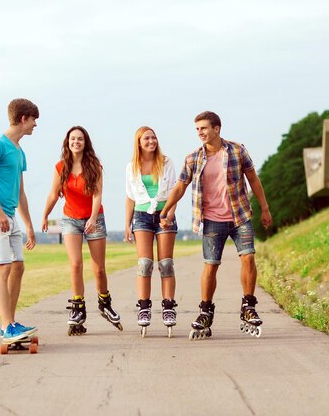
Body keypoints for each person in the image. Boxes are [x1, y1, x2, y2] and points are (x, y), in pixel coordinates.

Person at [160, 111, 273, 339]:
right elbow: (181, 186)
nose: (200, 133)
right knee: (211, 266)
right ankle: (205, 311)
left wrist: (265, 207)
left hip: (240, 215)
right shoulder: (193, 158)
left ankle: (248, 306)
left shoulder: (237, 150)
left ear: (216, 129)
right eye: (197, 129)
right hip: (212, 219)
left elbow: (253, 178)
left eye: (203, 128)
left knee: (248, 257)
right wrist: (166, 208)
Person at [42, 126, 123, 336]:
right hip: (70, 219)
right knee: (75, 265)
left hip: (94, 218)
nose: (76, 142)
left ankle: (104, 302)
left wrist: (94, 218)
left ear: (85, 142)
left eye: (80, 139)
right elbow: (53, 194)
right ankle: (78, 308)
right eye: (72, 139)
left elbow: (97, 195)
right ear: (67, 142)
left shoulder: (94, 165)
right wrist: (44, 215)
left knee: (99, 269)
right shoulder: (61, 167)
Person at [0, 98, 39, 344]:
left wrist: (29, 225)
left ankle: (11, 322)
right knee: (2, 268)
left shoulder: (19, 151)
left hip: (11, 216)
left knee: (18, 267)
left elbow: (20, 191)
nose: (35, 125)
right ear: (23, 118)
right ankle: (5, 327)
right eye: (34, 120)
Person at [124, 126, 179, 337]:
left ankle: (168, 307)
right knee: (144, 264)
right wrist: (127, 224)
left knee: (166, 264)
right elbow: (130, 197)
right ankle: (144, 307)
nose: (151, 141)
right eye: (147, 138)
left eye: (154, 137)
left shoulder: (166, 162)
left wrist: (170, 214)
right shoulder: (131, 167)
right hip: (141, 215)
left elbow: (176, 190)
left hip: (164, 214)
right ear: (139, 142)